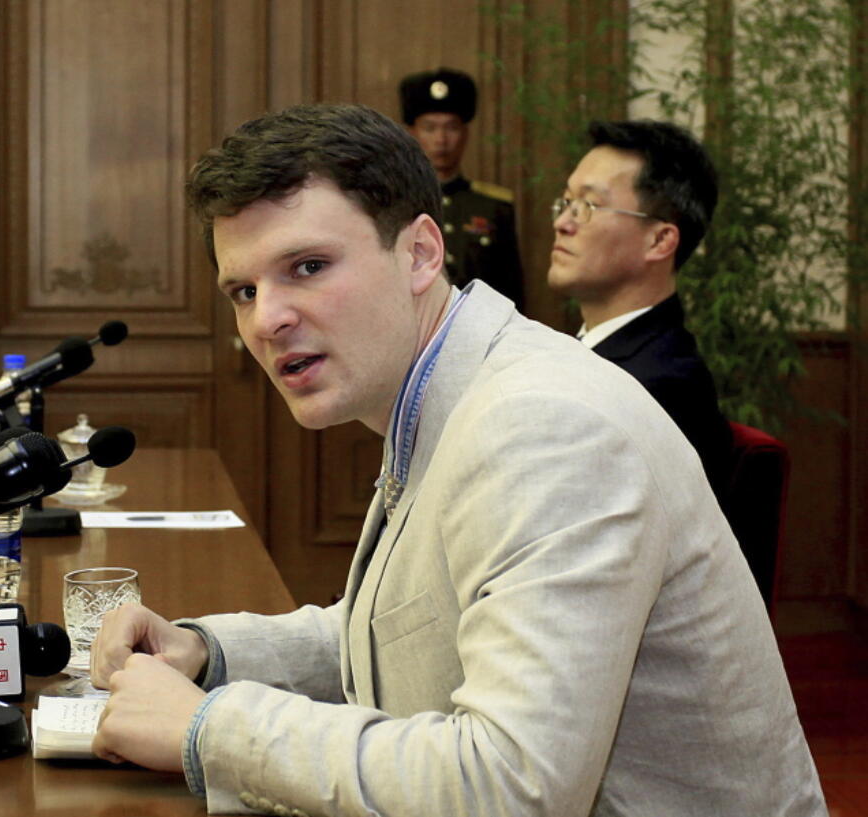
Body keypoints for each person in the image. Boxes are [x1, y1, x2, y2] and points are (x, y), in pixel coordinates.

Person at [84, 103, 824, 816]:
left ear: (420, 253)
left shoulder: (541, 426)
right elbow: (401, 630)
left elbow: (511, 786)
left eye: (307, 266)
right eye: (243, 290)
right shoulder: (448, 387)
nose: (267, 318)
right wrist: (208, 652)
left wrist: (209, 726)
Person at [547, 120, 732, 504]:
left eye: (588, 206)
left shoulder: (661, 385)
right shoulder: (581, 355)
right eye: (566, 202)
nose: (562, 223)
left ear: (660, 240)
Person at [400, 67, 525, 310]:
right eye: (430, 128)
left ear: (466, 133)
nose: (441, 139)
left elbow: (512, 292)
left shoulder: (494, 206)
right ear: (412, 133)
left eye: (451, 127)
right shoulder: (396, 203)